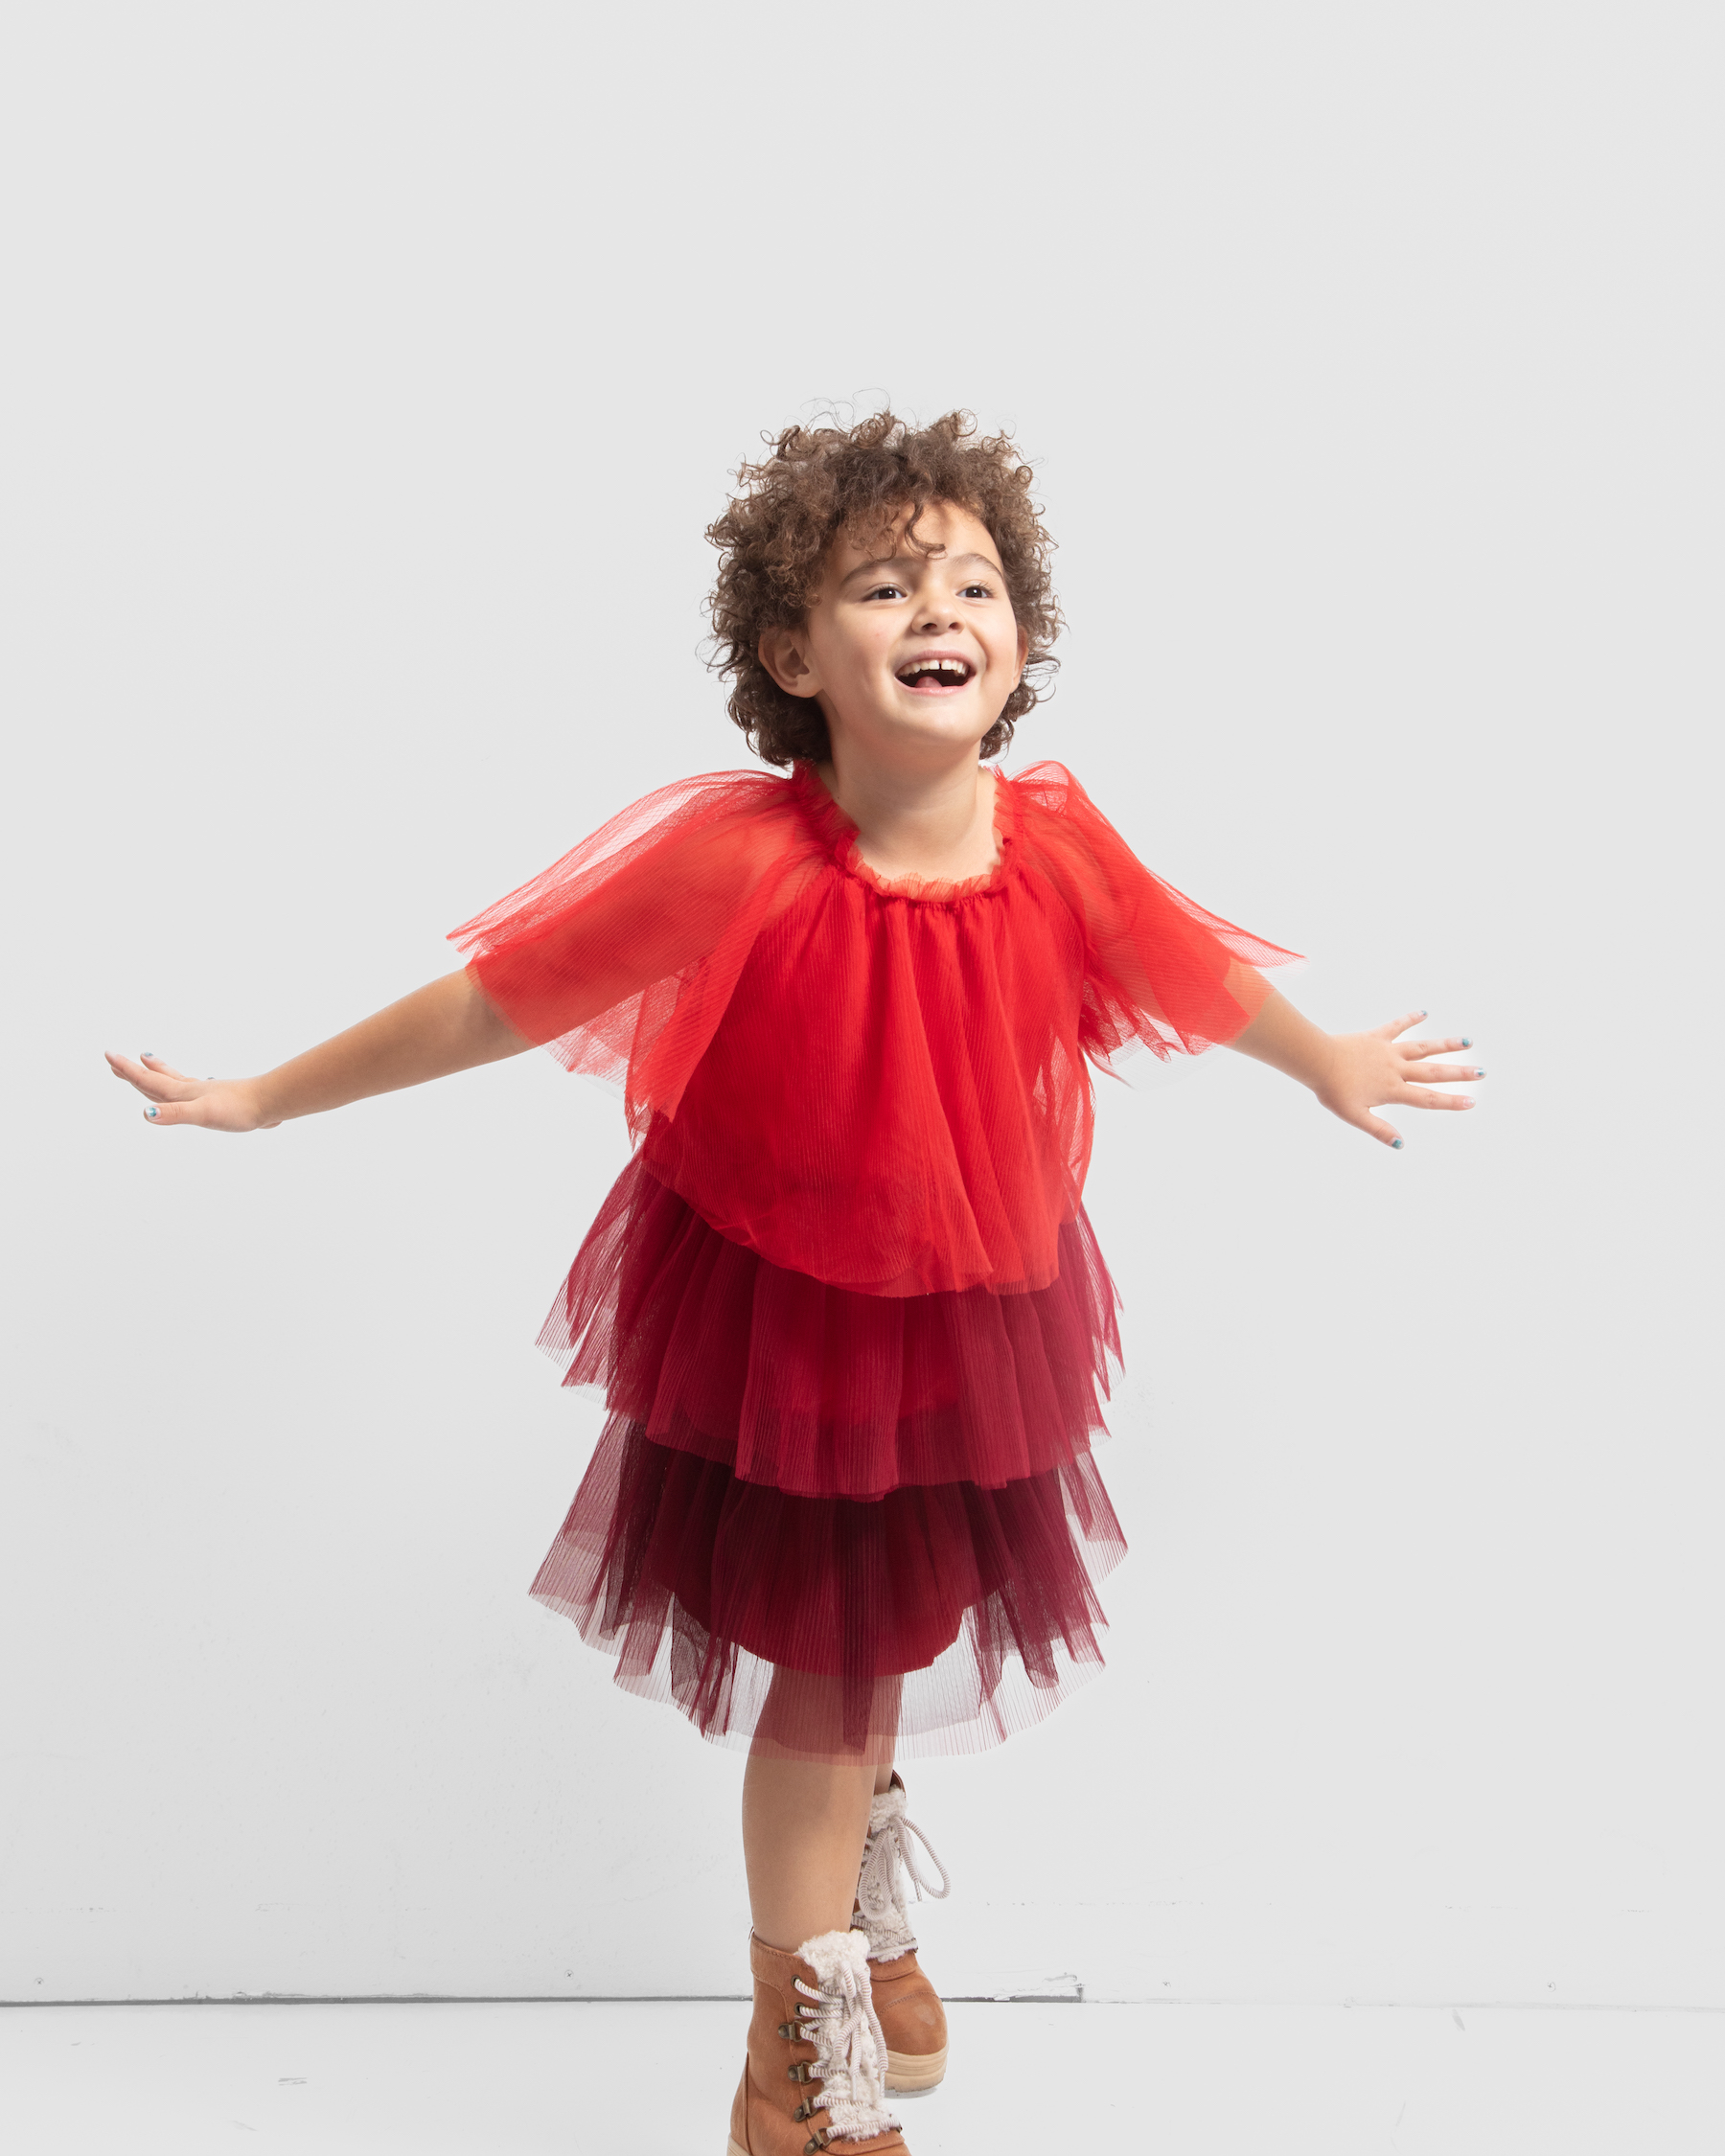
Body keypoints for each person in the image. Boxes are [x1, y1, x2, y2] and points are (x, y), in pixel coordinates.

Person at [107, 411, 1482, 2155]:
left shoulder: (1055, 843)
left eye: (974, 583)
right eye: (887, 585)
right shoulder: (739, 858)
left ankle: (855, 1904)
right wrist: (266, 1093)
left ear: (1020, 639)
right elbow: (499, 997)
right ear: (791, 653)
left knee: (892, 1629)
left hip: (975, 1313)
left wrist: (1328, 1055)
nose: (943, 609)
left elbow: (1185, 968)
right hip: (789, 1333)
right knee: (828, 1672)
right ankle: (791, 2050)